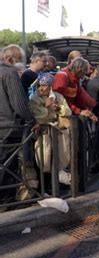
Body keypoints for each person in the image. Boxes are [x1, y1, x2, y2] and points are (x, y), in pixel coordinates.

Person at [0, 45, 36, 205]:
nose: (20, 64)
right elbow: (19, 104)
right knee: (7, 165)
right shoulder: (9, 73)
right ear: (10, 59)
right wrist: (31, 120)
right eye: (20, 60)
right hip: (9, 127)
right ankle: (5, 202)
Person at [29, 73, 72, 185]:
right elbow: (38, 116)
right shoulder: (34, 98)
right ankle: (44, 186)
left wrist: (57, 108)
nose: (41, 88)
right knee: (43, 157)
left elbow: (67, 111)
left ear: (50, 86)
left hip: (58, 132)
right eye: (39, 85)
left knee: (59, 156)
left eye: (44, 85)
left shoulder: (58, 96)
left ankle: (56, 185)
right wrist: (46, 108)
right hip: (43, 134)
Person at [52, 57, 97, 122]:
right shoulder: (62, 76)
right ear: (79, 70)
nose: (83, 76)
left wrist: (91, 108)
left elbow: (82, 95)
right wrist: (79, 111)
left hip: (69, 112)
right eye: (84, 73)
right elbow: (60, 100)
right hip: (61, 115)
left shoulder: (75, 78)